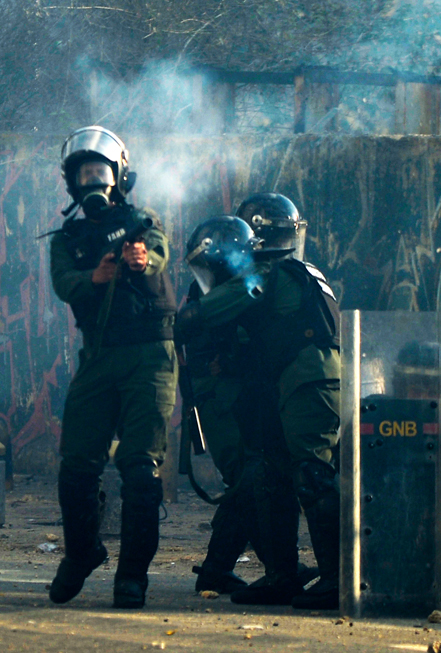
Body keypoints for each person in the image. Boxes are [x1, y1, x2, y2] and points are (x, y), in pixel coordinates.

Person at [176, 215, 341, 610]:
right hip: (293, 382)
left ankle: (336, 578)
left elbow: (213, 313)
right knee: (267, 475)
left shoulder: (269, 274)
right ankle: (280, 575)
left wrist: (179, 321)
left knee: (309, 475)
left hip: (301, 381)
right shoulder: (297, 270)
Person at [47, 126, 177, 609]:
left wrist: (142, 260)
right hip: (97, 357)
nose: (93, 181)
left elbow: (158, 251)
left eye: (101, 172)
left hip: (149, 355)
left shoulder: (142, 221)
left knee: (140, 469)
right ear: (73, 184)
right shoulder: (69, 238)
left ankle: (132, 578)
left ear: (119, 175)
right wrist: (93, 277)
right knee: (77, 465)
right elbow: (64, 283)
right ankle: (82, 553)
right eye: (85, 174)